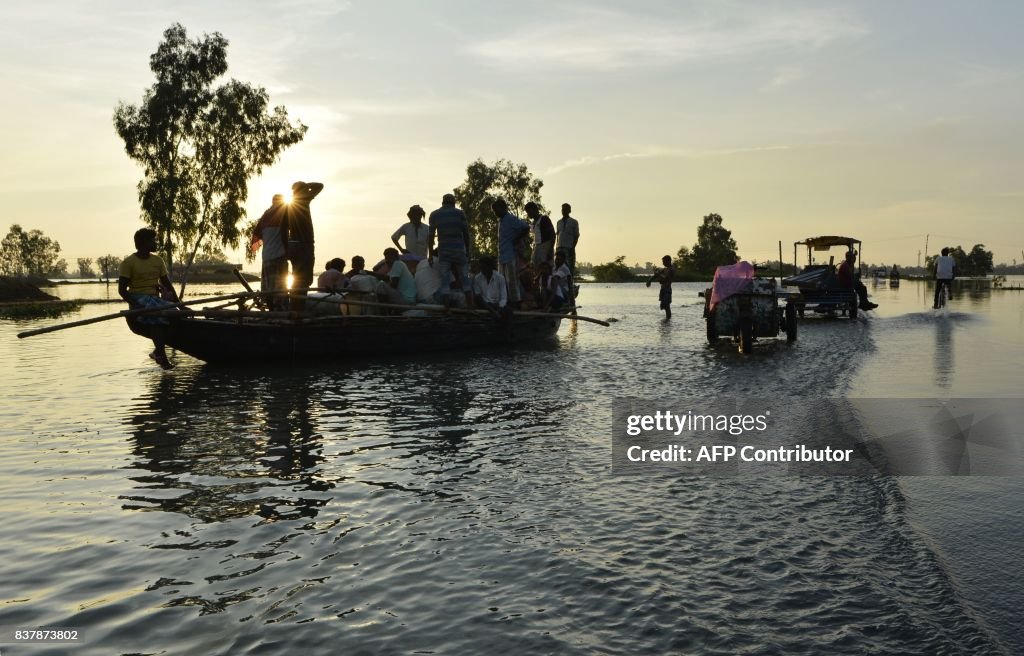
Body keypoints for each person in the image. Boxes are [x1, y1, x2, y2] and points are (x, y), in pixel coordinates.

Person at [118, 228, 180, 370]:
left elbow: (167, 285)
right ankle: (161, 355)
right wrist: (136, 305)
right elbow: (122, 291)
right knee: (157, 317)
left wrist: (179, 305)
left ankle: (158, 352)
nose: (155, 243)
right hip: (138, 298)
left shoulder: (157, 261)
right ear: (145, 243)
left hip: (154, 299)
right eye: (153, 240)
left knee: (175, 314)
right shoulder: (128, 263)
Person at [283, 180, 324, 310]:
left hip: (292, 245)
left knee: (297, 276)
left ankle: (294, 306)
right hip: (303, 244)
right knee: (305, 279)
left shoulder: (288, 206)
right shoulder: (303, 199)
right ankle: (298, 309)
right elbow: (320, 186)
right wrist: (307, 186)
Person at [428, 193, 471, 305]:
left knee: (445, 280)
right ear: (454, 202)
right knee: (464, 278)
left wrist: (430, 254)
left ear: (443, 202)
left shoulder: (435, 215)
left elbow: (431, 235)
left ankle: (446, 306)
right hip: (459, 251)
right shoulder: (460, 214)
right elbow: (466, 234)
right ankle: (471, 305)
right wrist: (468, 251)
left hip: (444, 252)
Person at [250, 193, 288, 309]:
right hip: (279, 255)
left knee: (269, 286)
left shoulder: (265, 215)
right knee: (280, 286)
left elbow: (256, 234)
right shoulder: (284, 212)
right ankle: (279, 309)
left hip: (266, 257)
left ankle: (271, 308)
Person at [494, 197, 530, 307]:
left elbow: (526, 227)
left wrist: (517, 238)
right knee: (502, 281)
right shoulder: (501, 221)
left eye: (496, 210)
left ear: (502, 208)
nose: (495, 213)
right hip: (502, 255)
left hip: (510, 255)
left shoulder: (511, 219)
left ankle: (516, 303)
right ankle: (505, 302)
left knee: (512, 281)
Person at [646, 255, 676, 319]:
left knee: (667, 306)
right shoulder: (664, 269)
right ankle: (667, 321)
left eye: (664, 262)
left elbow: (666, 279)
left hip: (667, 289)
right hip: (663, 289)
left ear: (669, 261)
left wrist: (658, 274)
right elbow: (655, 275)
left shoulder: (671, 269)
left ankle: (668, 320)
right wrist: (649, 281)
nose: (663, 263)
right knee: (663, 306)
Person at [525, 201, 555, 267]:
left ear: (533, 209)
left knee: (545, 266)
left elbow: (552, 235)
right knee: (535, 266)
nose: (528, 214)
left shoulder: (544, 219)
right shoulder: (533, 223)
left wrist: (550, 250)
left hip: (545, 246)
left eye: (528, 211)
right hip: (536, 247)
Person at [555, 202, 581, 277]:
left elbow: (576, 236)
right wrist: (556, 247)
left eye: (566, 209)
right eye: (562, 209)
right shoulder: (558, 222)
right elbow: (558, 235)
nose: (563, 211)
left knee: (569, 267)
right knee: (558, 267)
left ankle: (570, 286)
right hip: (559, 248)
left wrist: (572, 247)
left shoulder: (574, 222)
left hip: (569, 247)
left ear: (569, 211)